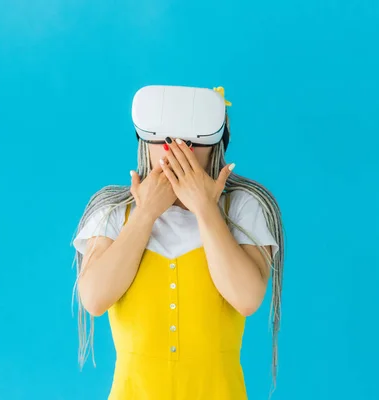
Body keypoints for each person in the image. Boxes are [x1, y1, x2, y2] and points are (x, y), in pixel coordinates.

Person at [72, 86, 285, 399]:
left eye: (194, 141)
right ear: (145, 141)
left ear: (217, 143)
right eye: (164, 139)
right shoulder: (113, 212)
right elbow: (94, 299)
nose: (178, 150)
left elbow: (247, 298)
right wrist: (145, 213)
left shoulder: (242, 208)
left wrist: (204, 207)